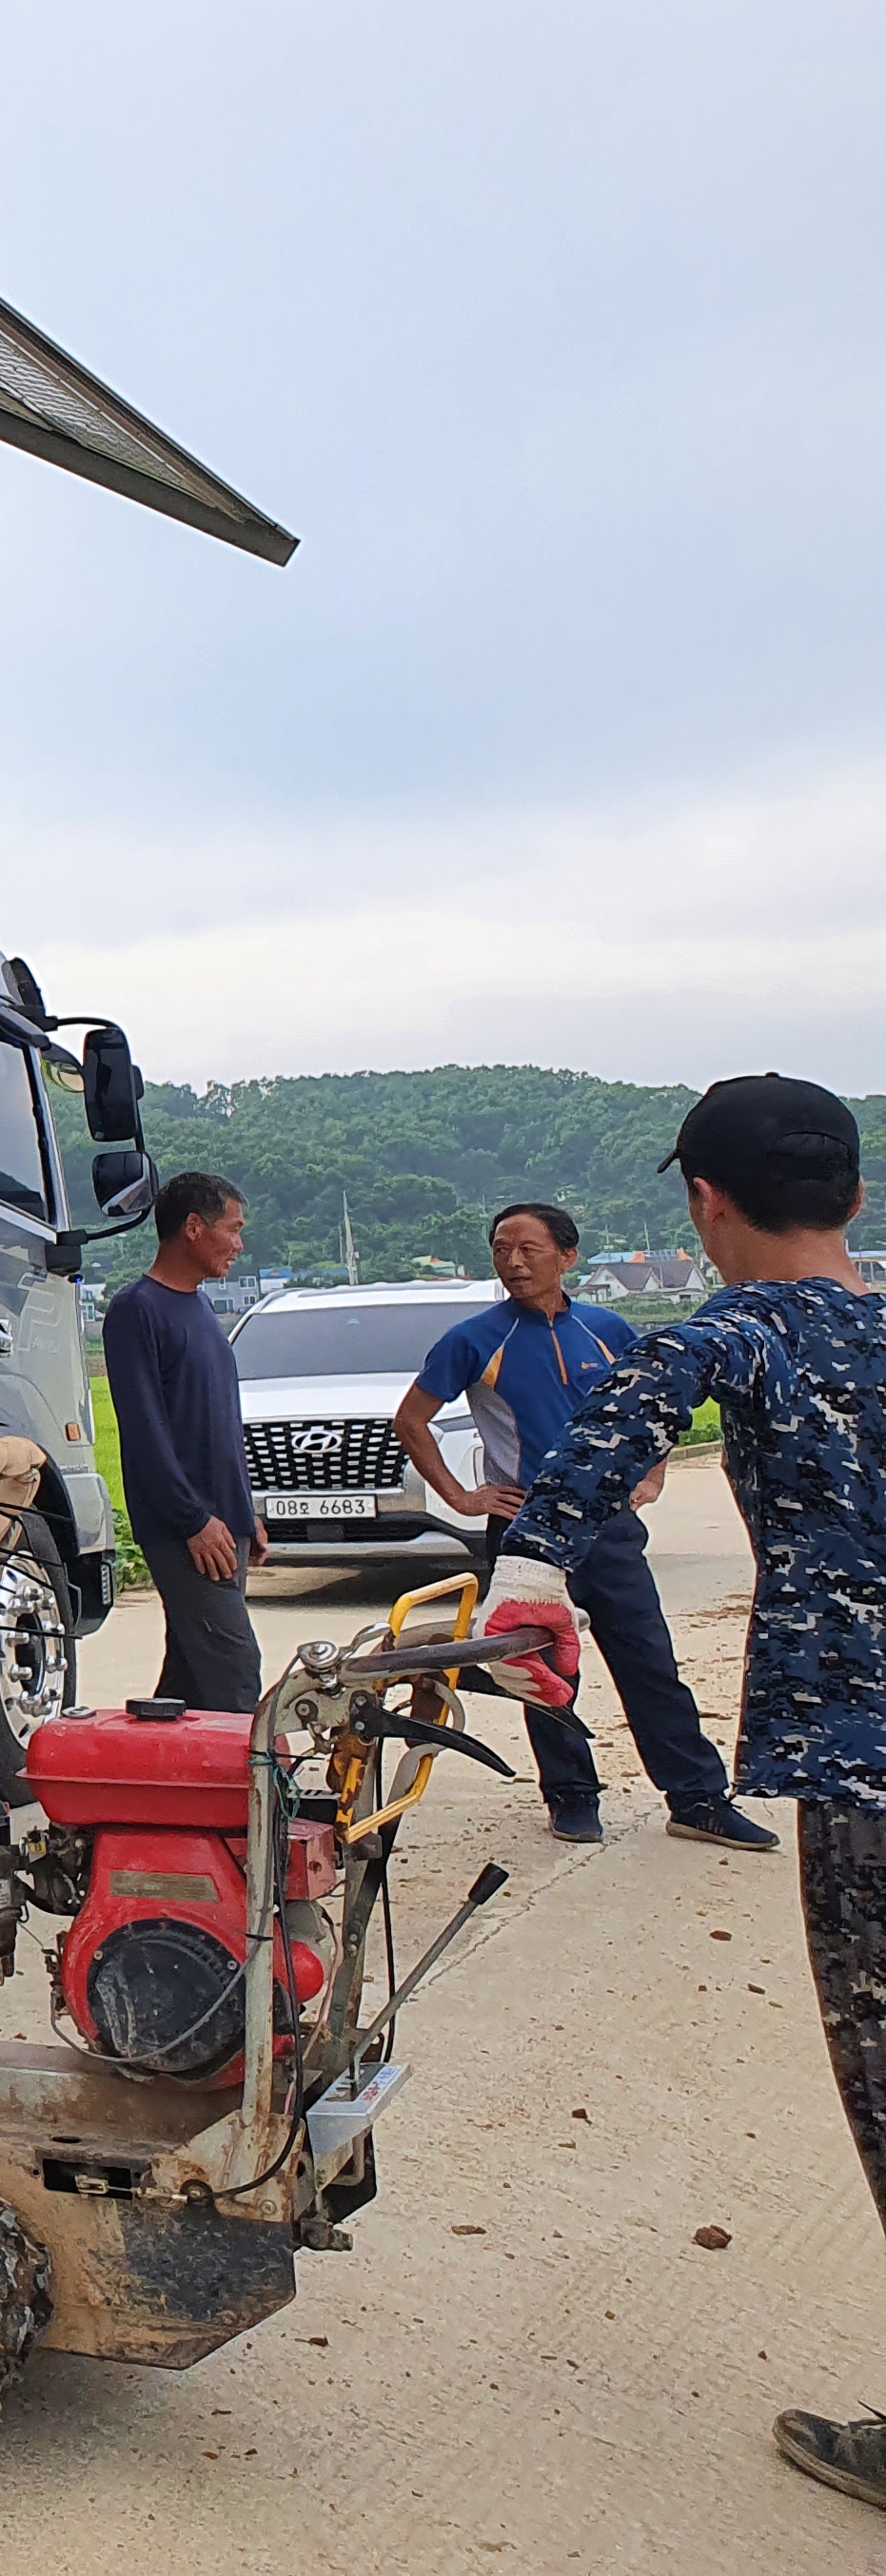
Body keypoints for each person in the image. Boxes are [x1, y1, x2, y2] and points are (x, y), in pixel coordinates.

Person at [480, 1076, 886, 2515]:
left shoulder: (745, 1330)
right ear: (850, 1194)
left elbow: (610, 1434)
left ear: (706, 1204)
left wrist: (530, 1580)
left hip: (861, 1769)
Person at [396, 1201, 771, 1849]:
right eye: (501, 1249)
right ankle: (571, 1796)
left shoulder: (607, 1327)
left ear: (568, 1257)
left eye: (529, 1249)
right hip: (525, 1533)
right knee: (543, 1671)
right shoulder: (474, 1339)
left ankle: (697, 1799)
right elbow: (411, 1419)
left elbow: (656, 1406)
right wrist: (462, 1497)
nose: (513, 1262)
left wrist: (651, 1475)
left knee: (649, 1662)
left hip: (608, 1529)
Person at [103, 1170, 268, 1711]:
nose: (239, 1246)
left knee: (192, 1677)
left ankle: (143, 1765)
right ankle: (248, 1769)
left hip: (223, 1523)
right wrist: (193, 1519)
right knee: (233, 1669)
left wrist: (244, 1513)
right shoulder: (137, 1310)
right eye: (233, 1230)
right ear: (194, 1227)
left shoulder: (200, 1308)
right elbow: (144, 1431)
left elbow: (217, 1424)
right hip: (187, 1528)